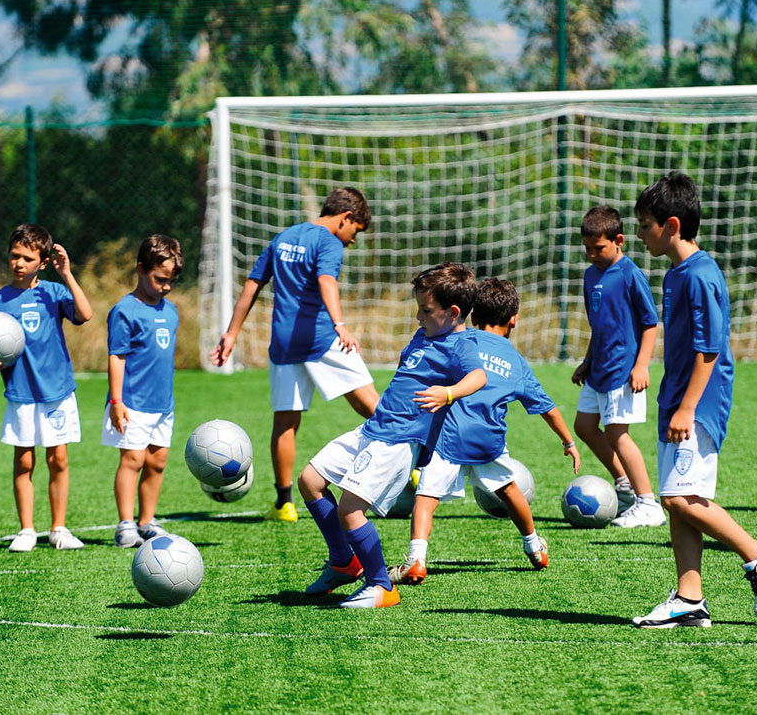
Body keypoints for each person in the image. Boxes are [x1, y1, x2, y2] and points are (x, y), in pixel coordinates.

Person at [630, 173, 757, 628]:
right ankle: (689, 597)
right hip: (676, 399)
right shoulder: (678, 272)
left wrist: (686, 408)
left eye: (645, 225)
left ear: (672, 224)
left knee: (681, 499)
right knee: (677, 498)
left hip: (695, 405)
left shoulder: (700, 274)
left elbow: (710, 348)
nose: (640, 234)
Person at [297, 263, 487, 608]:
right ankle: (343, 563)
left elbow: (478, 377)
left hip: (397, 441)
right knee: (309, 480)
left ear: (453, 312)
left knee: (350, 510)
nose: (418, 316)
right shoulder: (423, 335)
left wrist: (448, 393)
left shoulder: (461, 344)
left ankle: (382, 586)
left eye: (426, 310)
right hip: (372, 429)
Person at [388, 277, 581, 585]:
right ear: (514, 320)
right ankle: (534, 547)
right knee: (509, 490)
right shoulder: (517, 364)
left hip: (449, 435)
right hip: (487, 440)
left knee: (426, 496)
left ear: (472, 317)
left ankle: (417, 559)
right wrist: (568, 442)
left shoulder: (459, 340)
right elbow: (548, 408)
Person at [210, 188, 381, 523]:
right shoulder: (329, 241)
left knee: (286, 423)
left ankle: (284, 504)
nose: (353, 240)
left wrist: (231, 334)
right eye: (356, 232)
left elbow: (252, 284)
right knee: (374, 406)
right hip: (321, 337)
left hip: (284, 343)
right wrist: (340, 324)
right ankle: (412, 469)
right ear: (346, 218)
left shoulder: (283, 237)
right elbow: (326, 280)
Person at [0, 224, 94, 552]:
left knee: (58, 460)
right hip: (21, 393)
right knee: (24, 461)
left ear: (42, 263)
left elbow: (85, 313)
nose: (19, 263)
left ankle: (59, 529)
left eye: (27, 258)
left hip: (57, 392)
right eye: (15, 256)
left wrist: (67, 274)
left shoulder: (53, 293)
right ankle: (27, 530)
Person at [571, 205, 665, 528]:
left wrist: (642, 366)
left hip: (622, 371)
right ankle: (624, 485)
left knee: (617, 434)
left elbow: (650, 324)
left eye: (598, 248)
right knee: (584, 426)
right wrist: (586, 360)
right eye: (587, 248)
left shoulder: (630, 274)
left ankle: (649, 503)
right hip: (598, 369)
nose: (591, 255)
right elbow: (599, 326)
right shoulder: (590, 276)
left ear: (619, 240)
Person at [103, 235, 183, 549]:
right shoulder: (124, 311)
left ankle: (147, 520)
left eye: (172, 281)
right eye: (160, 279)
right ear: (140, 269)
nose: (166, 286)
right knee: (132, 460)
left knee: (157, 461)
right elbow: (117, 356)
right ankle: (125, 524)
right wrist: (116, 401)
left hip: (163, 403)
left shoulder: (171, 310)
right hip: (132, 402)